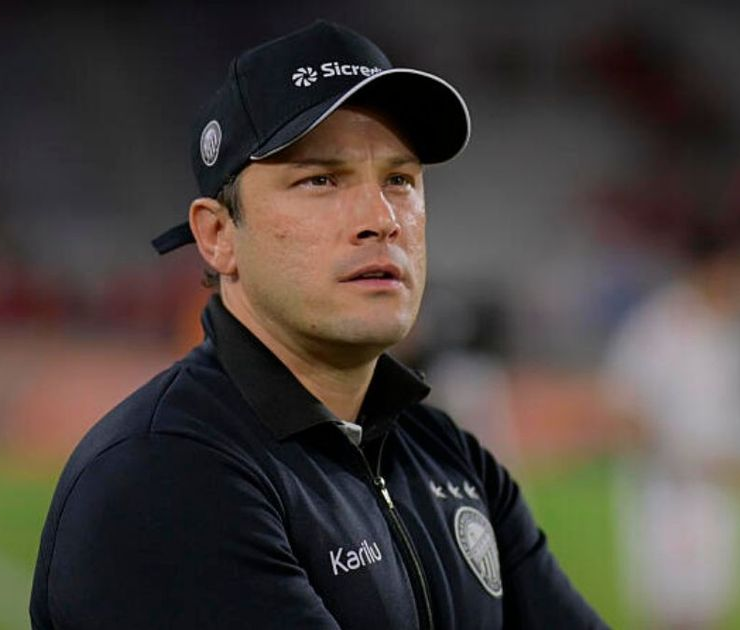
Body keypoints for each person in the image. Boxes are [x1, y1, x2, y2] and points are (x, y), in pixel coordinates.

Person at [29, 20, 605, 630]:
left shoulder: (449, 457)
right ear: (218, 235)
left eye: (399, 180)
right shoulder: (163, 475)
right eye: (320, 179)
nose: (381, 218)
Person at [603, 222, 740, 630]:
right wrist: (683, 456)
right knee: (672, 611)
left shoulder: (731, 335)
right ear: (712, 267)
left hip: (718, 494)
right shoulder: (660, 327)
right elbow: (624, 407)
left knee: (710, 609)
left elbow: (730, 415)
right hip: (667, 494)